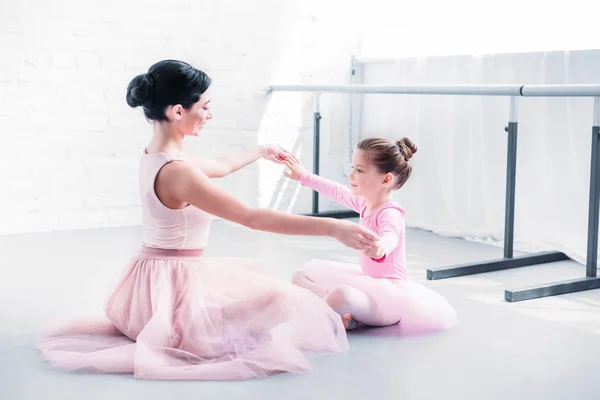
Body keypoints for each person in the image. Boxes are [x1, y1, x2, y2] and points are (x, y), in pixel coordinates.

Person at [37, 60, 380, 381]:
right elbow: (252, 218)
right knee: (280, 300)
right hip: (171, 301)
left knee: (254, 286)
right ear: (177, 111)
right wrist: (334, 227)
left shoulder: (155, 157)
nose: (209, 114)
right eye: (204, 106)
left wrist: (261, 151)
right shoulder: (178, 173)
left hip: (147, 288)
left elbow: (221, 164)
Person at [283, 137, 457, 334]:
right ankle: (342, 316)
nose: (350, 175)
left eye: (359, 170)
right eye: (352, 168)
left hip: (389, 297)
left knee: (342, 295)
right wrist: (303, 176)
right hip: (366, 282)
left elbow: (391, 235)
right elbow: (337, 191)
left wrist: (382, 246)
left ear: (385, 179)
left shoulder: (390, 211)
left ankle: (333, 315)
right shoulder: (364, 203)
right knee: (300, 276)